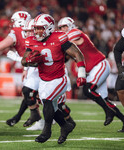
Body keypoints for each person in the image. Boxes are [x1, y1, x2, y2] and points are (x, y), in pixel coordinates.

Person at [58, 17, 124, 132]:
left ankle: (108, 112)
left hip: (100, 64)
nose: (63, 29)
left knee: (88, 90)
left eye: (64, 26)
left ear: (71, 26)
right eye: (61, 27)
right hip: (93, 69)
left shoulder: (75, 32)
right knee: (103, 99)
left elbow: (64, 42)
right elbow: (65, 57)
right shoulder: (68, 41)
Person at [22, 14, 86, 144]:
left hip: (59, 78)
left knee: (47, 100)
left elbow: (77, 54)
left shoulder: (59, 37)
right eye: (36, 28)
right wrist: (30, 61)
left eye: (41, 28)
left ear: (49, 27)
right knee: (50, 106)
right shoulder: (31, 40)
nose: (38, 31)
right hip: (44, 80)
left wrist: (81, 73)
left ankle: (47, 131)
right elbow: (24, 60)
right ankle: (65, 125)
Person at [0, 11, 42, 127]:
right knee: (30, 92)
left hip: (38, 66)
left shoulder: (16, 32)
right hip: (37, 64)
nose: (12, 24)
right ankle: (34, 118)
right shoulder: (37, 29)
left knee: (40, 95)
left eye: (14, 21)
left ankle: (52, 120)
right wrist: (26, 67)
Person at [7, 19, 76, 131]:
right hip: (42, 74)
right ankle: (40, 120)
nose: (28, 33)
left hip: (56, 75)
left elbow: (51, 59)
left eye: (30, 30)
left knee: (57, 105)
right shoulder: (32, 40)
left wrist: (18, 59)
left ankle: (66, 122)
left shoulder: (52, 39)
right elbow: (32, 60)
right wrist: (25, 65)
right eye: (28, 31)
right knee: (34, 95)